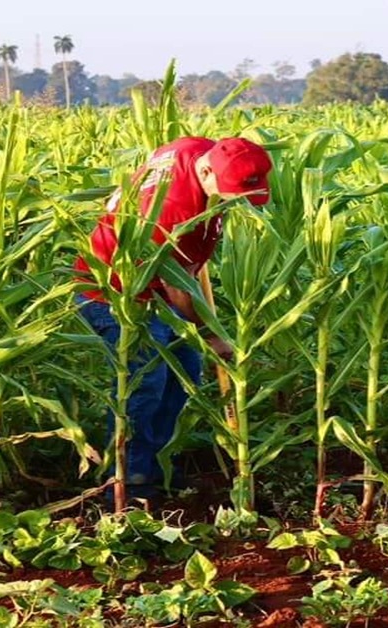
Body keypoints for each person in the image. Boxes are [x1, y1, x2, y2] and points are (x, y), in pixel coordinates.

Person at [74, 136, 273, 499]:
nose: (238, 204)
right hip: (114, 291)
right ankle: (125, 479)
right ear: (208, 171)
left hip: (159, 288)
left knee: (185, 367)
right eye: (232, 195)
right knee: (146, 378)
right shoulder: (175, 211)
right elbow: (177, 285)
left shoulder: (197, 149)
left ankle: (156, 463)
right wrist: (208, 333)